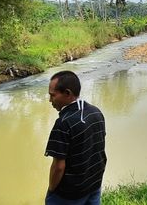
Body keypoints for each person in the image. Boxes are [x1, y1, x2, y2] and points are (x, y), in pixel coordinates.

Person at [45, 71, 107, 205]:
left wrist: (51, 189)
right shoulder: (96, 112)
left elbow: (58, 167)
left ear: (67, 93)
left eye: (52, 95)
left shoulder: (64, 123)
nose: (50, 100)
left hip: (69, 194)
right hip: (94, 183)